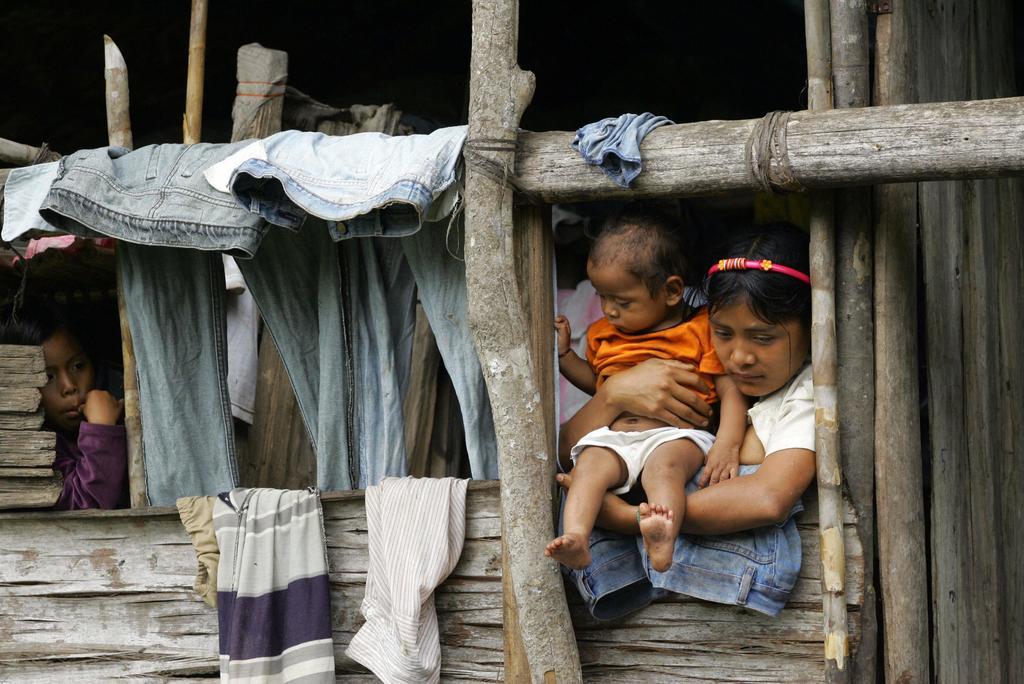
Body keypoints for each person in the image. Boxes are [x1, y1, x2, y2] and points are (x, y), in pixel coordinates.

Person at [556, 222, 817, 619]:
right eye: (723, 333)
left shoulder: (804, 396)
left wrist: (627, 517)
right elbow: (564, 453)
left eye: (763, 338)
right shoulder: (681, 376)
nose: (740, 356)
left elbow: (768, 498)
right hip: (635, 609)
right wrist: (614, 393)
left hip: (732, 608)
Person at [545, 207, 747, 572]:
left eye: (622, 301)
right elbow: (599, 384)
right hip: (615, 436)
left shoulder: (701, 329)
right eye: (603, 298)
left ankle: (662, 539)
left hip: (676, 437)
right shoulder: (603, 334)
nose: (609, 311)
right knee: (588, 468)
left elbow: (729, 389)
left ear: (671, 290)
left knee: (663, 470)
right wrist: (564, 357)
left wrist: (727, 443)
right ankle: (577, 537)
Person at [0, 299, 128, 510]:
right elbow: (87, 506)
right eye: (47, 377)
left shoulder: (123, 419)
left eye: (78, 366)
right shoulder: (24, 448)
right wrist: (101, 429)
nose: (69, 386)